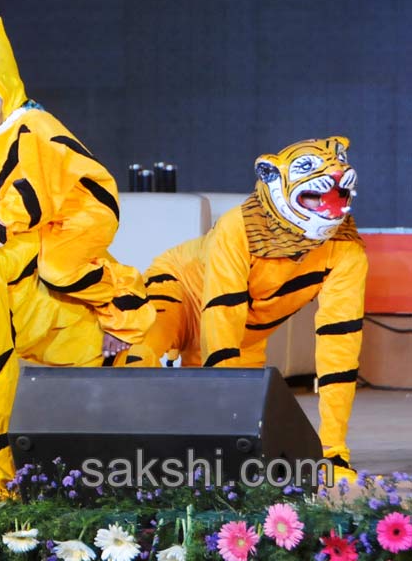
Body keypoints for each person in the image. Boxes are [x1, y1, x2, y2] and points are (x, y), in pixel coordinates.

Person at [122, 136, 366, 479]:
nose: (336, 172)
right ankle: (116, 445)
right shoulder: (238, 227)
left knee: (241, 436)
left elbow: (340, 345)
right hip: (182, 287)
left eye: (337, 164)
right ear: (271, 176)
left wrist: (333, 451)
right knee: (143, 350)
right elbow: (222, 314)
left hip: (244, 330)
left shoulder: (347, 249)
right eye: (308, 167)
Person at [0, 17, 153, 358]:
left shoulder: (32, 126)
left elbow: (33, 193)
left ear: (6, 90)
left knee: (57, 269)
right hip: (43, 213)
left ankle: (126, 307)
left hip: (81, 210)